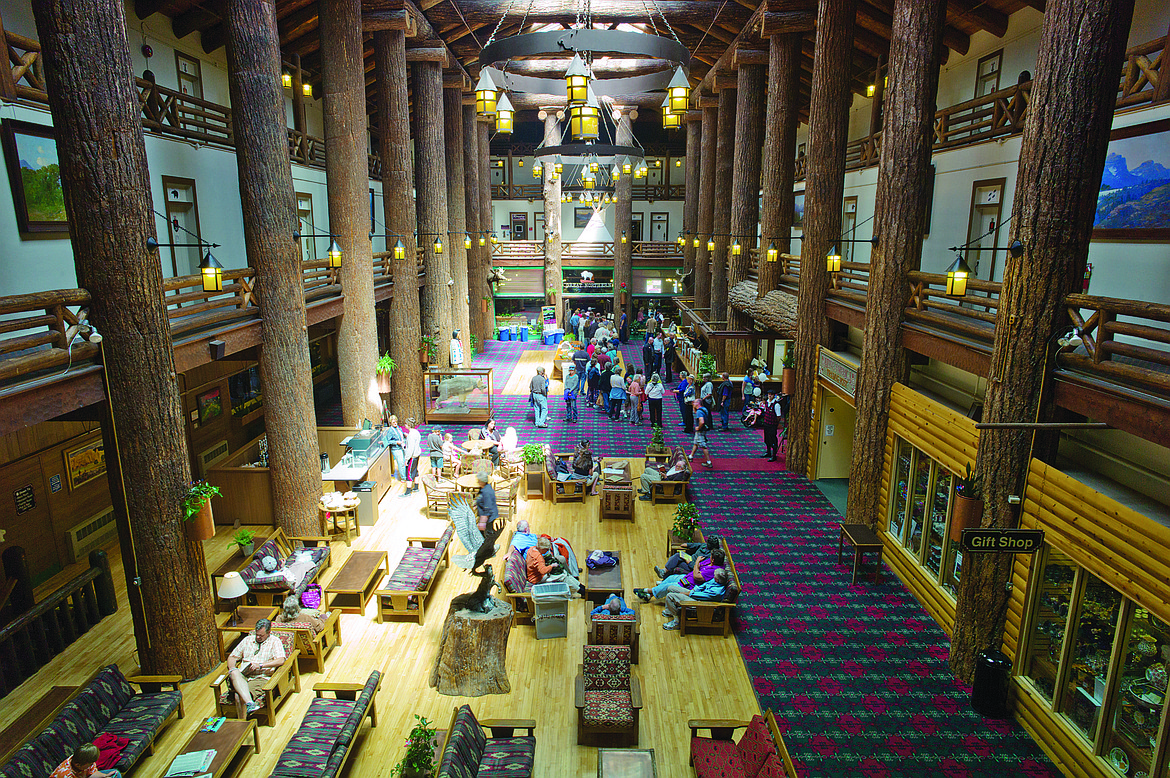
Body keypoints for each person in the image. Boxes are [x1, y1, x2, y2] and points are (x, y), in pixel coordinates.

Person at [225, 618, 285, 719]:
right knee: (234, 672)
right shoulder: (247, 640)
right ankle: (250, 703)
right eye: (257, 634)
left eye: (261, 635)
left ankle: (242, 724)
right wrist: (231, 668)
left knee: (238, 696)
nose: (258, 637)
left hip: (260, 677)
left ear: (269, 632)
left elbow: (280, 660)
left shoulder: (275, 641)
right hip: (243, 675)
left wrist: (261, 665)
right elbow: (232, 657)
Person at [634, 548, 725, 602]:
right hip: (688, 577)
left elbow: (697, 576)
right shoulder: (710, 561)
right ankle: (649, 596)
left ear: (713, 560)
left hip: (690, 585)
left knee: (668, 586)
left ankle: (646, 590)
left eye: (711, 557)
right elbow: (697, 571)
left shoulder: (715, 570)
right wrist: (697, 569)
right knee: (670, 578)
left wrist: (697, 562)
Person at [661, 568, 730, 630]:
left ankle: (677, 622)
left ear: (717, 580)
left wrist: (686, 594)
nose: (713, 576)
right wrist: (693, 590)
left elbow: (701, 596)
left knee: (670, 596)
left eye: (714, 576)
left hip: (700, 602)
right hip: (695, 594)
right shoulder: (715, 581)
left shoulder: (716, 592)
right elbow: (704, 585)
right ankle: (670, 611)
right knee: (670, 588)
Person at [50, 743, 122, 778]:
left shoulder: (82, 760)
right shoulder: (65, 775)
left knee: (116, 774)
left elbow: (91, 773)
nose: (92, 764)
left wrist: (105, 776)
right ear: (78, 765)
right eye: (90, 764)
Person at [690, 399, 714, 468]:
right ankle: (691, 456)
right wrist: (693, 406)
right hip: (703, 430)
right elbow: (696, 413)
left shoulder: (699, 412)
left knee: (703, 445)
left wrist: (698, 427)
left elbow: (701, 421)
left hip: (700, 430)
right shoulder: (704, 409)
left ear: (698, 403)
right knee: (696, 443)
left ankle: (709, 462)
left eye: (694, 402)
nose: (693, 403)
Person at [761, 390, 784, 462]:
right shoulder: (767, 402)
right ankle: (768, 452)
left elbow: (778, 416)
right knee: (767, 439)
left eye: (771, 394)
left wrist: (775, 424)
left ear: (774, 395)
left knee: (772, 439)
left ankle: (774, 455)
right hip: (766, 424)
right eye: (768, 394)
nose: (769, 396)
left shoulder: (776, 405)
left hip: (772, 425)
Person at [384, 414, 406, 483]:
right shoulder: (390, 430)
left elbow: (401, 434)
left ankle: (405, 475)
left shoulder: (398, 428)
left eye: (396, 421)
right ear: (390, 422)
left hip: (402, 447)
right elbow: (388, 441)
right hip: (396, 449)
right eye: (393, 422)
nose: (395, 423)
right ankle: (403, 478)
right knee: (401, 463)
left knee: (404, 462)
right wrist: (396, 442)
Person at [402, 417, 422, 495]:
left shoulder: (411, 435)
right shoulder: (416, 432)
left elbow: (410, 449)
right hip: (417, 454)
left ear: (408, 425)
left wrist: (406, 459)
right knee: (415, 470)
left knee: (409, 473)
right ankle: (416, 486)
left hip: (412, 456)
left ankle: (408, 491)